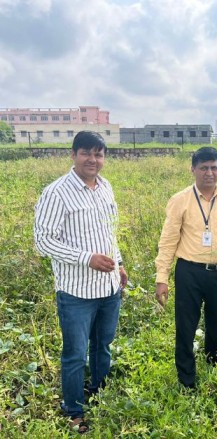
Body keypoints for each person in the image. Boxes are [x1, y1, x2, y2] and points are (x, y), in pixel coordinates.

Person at [34, 131, 128, 434]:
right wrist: (86, 258)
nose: (93, 159)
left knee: (103, 345)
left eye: (99, 154)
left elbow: (109, 232)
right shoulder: (56, 192)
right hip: (76, 291)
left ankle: (99, 392)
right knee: (75, 354)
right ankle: (73, 409)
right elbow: (43, 241)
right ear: (73, 154)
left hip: (108, 288)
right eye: (87, 153)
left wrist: (120, 264)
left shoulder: (106, 187)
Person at [154, 146, 217, 389]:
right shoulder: (180, 200)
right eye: (203, 168)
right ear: (193, 170)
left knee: (215, 320)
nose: (209, 173)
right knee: (186, 324)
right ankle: (186, 377)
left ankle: (214, 358)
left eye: (214, 167)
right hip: (190, 271)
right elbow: (167, 242)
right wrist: (162, 278)